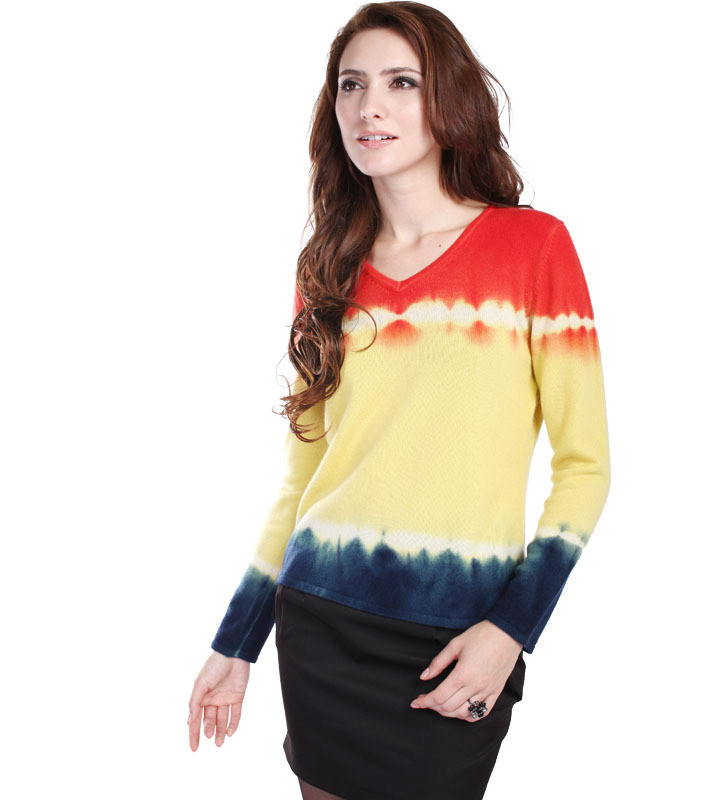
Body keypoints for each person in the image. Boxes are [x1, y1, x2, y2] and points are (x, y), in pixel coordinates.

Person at [187, 3, 611, 798]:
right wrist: (236, 641)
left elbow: (586, 468)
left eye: (400, 82)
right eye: (351, 85)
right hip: (321, 622)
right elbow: (301, 479)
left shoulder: (534, 249)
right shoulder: (326, 273)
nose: (369, 106)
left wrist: (512, 631)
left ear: (447, 98)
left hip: (462, 635)